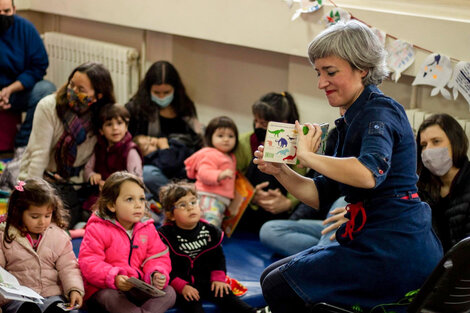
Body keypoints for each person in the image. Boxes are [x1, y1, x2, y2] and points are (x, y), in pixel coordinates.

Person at [254, 20, 442, 312]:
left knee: (278, 285)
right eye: (318, 73)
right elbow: (320, 195)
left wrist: (307, 156)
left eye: (330, 72)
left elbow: (368, 174)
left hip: (395, 248)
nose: (320, 83)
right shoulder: (347, 122)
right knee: (271, 277)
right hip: (375, 240)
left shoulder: (380, 110)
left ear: (362, 68)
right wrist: (281, 171)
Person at [18, 62, 115, 227]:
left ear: (98, 96)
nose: (73, 91)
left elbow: (106, 152)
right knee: (40, 222)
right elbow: (38, 156)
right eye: (71, 84)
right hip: (44, 177)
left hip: (77, 183)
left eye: (81, 89)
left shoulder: (102, 116)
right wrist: (31, 194)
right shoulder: (49, 106)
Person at [157, 181, 268, 313]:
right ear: (170, 215)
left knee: (226, 295)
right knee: (192, 305)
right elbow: (165, 267)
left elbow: (218, 258)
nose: (190, 208)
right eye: (182, 205)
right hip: (183, 286)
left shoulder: (210, 231)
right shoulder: (165, 236)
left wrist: (218, 279)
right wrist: (182, 286)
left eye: (193, 202)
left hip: (207, 282)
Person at [78, 171, 176, 313]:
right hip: (107, 288)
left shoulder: (147, 228)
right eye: (130, 199)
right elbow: (89, 262)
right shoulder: (97, 228)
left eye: (141, 199)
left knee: (170, 292)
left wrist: (156, 274)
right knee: (109, 297)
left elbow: (157, 256)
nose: (138, 205)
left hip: (137, 287)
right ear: (112, 205)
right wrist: (114, 277)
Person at [0, 178, 84, 313]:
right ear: (18, 212)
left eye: (47, 215)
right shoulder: (4, 235)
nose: (42, 222)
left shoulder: (58, 235)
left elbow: (68, 267)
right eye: (35, 217)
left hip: (51, 295)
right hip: (18, 298)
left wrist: (74, 289)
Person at [125, 60, 204, 200]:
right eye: (156, 92)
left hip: (181, 165)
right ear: (148, 89)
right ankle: (176, 199)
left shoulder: (185, 107)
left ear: (175, 89)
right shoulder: (136, 109)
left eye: (166, 92)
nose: (161, 97)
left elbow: (196, 141)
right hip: (152, 167)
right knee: (147, 175)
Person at [234, 91, 307, 232]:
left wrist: (287, 203)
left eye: (264, 123)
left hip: (282, 211)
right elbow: (234, 178)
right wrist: (253, 195)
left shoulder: (298, 145)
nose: (257, 127)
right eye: (256, 121)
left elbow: (302, 180)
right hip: (249, 208)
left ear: (284, 123)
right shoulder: (243, 142)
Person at [0, 0, 56, 149]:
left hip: (18, 90)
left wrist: (10, 89)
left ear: (14, 9)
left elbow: (39, 66)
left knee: (46, 89)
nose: (3, 16)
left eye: (6, 11)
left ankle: (23, 144)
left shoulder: (26, 29)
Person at [416, 113, 470, 253]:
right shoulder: (422, 187)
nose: (428, 150)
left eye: (436, 141)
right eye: (423, 145)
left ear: (455, 142)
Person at [82, 104, 142, 211]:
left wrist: (111, 186)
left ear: (126, 127)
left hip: (124, 197)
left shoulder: (130, 151)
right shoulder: (99, 148)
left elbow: (135, 180)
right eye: (109, 124)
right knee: (88, 211)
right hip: (101, 196)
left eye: (119, 123)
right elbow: (87, 169)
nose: (115, 128)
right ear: (101, 130)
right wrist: (92, 175)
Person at [184, 116, 238, 227]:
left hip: (219, 199)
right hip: (207, 196)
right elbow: (204, 173)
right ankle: (206, 240)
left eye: (231, 136)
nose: (226, 139)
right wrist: (220, 175)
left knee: (213, 220)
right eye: (220, 136)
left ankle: (206, 239)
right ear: (210, 137)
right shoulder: (210, 153)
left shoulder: (231, 156)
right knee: (209, 221)